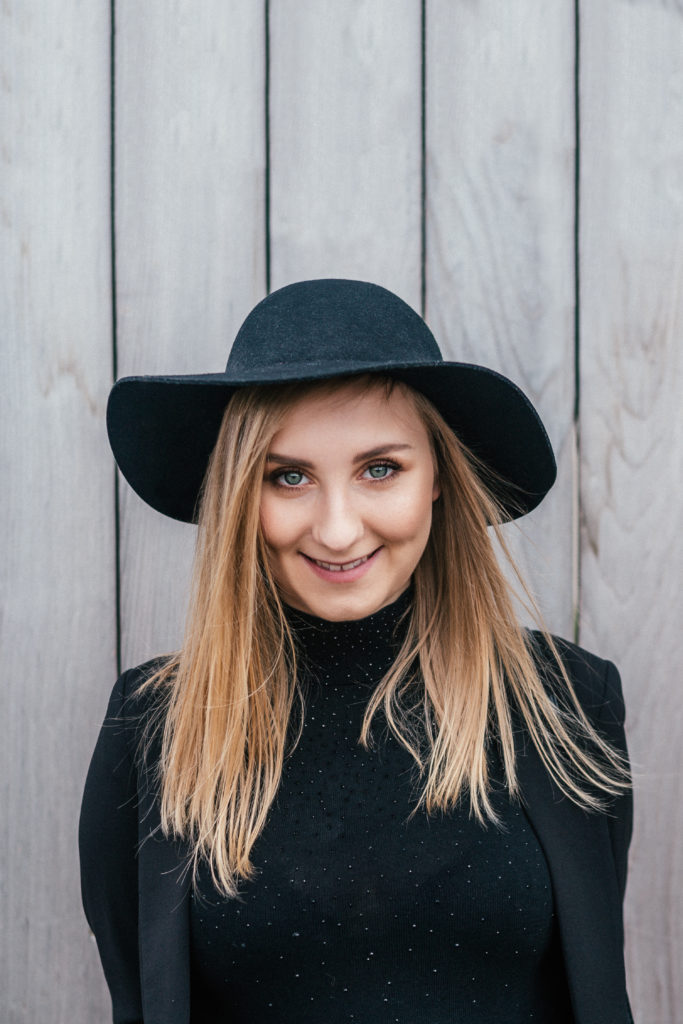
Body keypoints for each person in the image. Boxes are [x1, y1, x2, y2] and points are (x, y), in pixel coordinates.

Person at [79, 278, 633, 1024]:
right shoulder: (154, 730)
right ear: (240, 495)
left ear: (439, 477)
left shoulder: (567, 705)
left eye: (380, 469)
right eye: (288, 477)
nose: (338, 530)